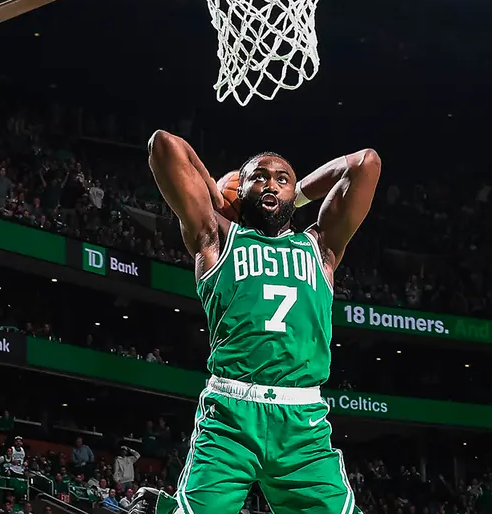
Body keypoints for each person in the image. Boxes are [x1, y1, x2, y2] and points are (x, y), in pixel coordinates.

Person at [130, 130, 381, 514]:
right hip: (231, 414)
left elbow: (366, 163)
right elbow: (163, 145)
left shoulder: (321, 247)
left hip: (302, 423)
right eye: (258, 176)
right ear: (239, 190)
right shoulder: (216, 238)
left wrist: (297, 194)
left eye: (282, 179)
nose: (271, 183)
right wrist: (215, 196)